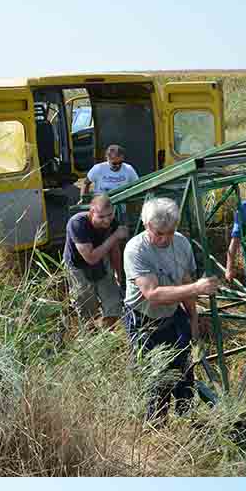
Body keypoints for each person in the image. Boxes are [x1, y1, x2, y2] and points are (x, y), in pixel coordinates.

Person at [122, 197, 219, 420]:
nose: (165, 239)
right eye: (159, 234)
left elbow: (184, 281)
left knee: (185, 372)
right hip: (144, 320)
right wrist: (197, 287)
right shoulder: (136, 250)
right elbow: (153, 295)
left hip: (174, 315)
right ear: (147, 225)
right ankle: (157, 428)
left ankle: (188, 420)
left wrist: (193, 319)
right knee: (157, 379)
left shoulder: (181, 243)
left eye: (170, 232)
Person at [63, 195, 129, 329]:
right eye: (101, 217)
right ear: (91, 212)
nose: (107, 221)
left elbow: (114, 250)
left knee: (113, 303)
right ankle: (90, 337)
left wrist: (118, 275)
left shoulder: (112, 222)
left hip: (101, 260)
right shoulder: (77, 223)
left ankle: (107, 335)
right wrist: (115, 236)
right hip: (78, 266)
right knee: (87, 307)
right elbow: (90, 258)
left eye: (109, 215)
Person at [84, 145, 140, 286]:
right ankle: (109, 272)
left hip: (120, 210)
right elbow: (86, 183)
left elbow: (138, 187)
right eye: (114, 163)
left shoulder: (128, 170)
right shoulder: (98, 169)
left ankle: (123, 274)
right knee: (106, 242)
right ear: (107, 159)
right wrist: (84, 200)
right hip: (101, 211)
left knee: (122, 242)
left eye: (120, 163)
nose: (118, 166)